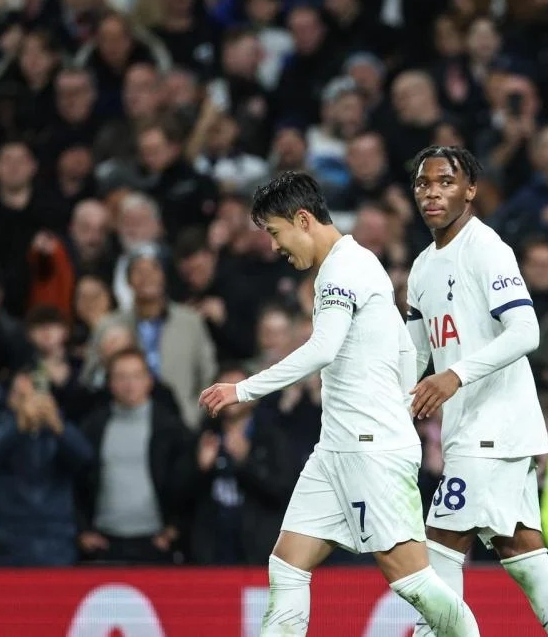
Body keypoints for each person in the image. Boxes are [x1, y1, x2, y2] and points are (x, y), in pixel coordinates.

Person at [198, 173, 479, 637]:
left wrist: (243, 389)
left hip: (370, 451)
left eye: (275, 233)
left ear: (302, 220)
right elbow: (402, 349)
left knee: (413, 582)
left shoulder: (342, 270)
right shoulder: (358, 265)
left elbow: (323, 348)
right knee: (288, 564)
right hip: (336, 450)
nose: (275, 247)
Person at [404, 146, 548, 637]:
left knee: (438, 546)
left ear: (470, 190)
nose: (432, 192)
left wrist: (454, 375)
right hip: (475, 430)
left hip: (494, 425)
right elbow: (413, 357)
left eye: (446, 182)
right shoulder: (421, 267)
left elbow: (527, 331)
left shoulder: (487, 249)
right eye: (423, 183)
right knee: (522, 552)